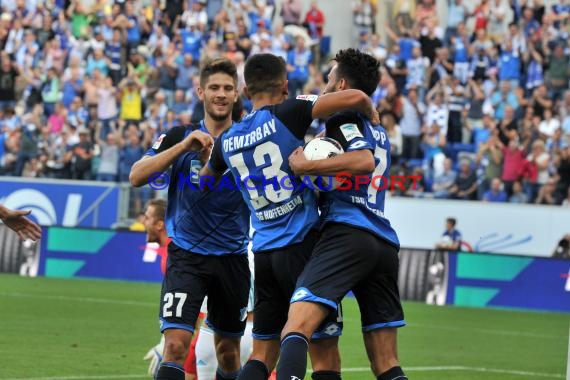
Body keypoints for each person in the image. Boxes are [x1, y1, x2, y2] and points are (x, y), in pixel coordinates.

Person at [201, 52, 380, 380]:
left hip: (264, 253)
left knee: (262, 354)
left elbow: (205, 181)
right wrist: (369, 108)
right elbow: (354, 96)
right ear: (284, 86)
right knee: (325, 354)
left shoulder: (227, 140)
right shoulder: (290, 111)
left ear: (244, 91)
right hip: (302, 246)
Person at [279, 48, 407, 380]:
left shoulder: (344, 117)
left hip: (348, 232)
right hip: (382, 243)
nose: (324, 83)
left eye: (329, 77)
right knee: (386, 362)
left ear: (342, 85)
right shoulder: (377, 129)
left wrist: (306, 165)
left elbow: (362, 162)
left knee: (296, 327)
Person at [130, 58, 251, 380]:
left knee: (228, 352)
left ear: (237, 93)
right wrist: (183, 146)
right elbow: (136, 176)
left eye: (228, 88)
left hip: (233, 258)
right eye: (214, 87)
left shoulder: (247, 140)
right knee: (175, 347)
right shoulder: (178, 135)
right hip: (187, 258)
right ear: (201, 91)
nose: (221, 94)